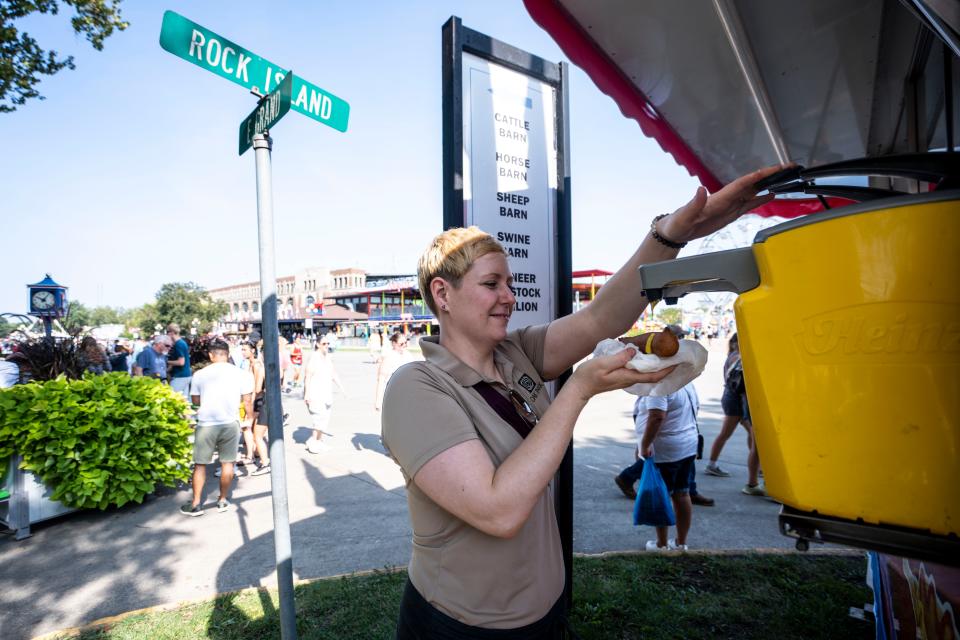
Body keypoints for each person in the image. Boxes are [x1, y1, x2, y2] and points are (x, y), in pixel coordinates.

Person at [380, 163, 776, 638]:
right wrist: (580, 387)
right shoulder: (415, 388)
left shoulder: (514, 353)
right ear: (442, 293)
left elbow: (598, 319)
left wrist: (671, 234)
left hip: (544, 615)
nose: (510, 295)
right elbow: (497, 510)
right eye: (492, 284)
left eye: (510, 282)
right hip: (464, 626)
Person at [181, 339, 254, 516]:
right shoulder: (241, 373)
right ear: (228, 354)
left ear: (211, 355)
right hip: (230, 423)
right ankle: (222, 500)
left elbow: (196, 401)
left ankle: (196, 503)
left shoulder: (199, 374)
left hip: (206, 424)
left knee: (200, 465)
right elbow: (247, 400)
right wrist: (249, 418)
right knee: (228, 463)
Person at [635, 381, 701, 551]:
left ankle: (662, 545)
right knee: (682, 493)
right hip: (687, 444)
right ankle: (681, 543)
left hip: (666, 450)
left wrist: (644, 444)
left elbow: (657, 416)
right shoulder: (686, 381)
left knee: (662, 496)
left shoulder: (660, 385)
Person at [704, 333, 765, 496]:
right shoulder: (739, 358)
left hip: (734, 399)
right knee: (728, 433)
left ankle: (758, 468)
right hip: (735, 400)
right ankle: (712, 464)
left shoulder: (732, 355)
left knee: (751, 435)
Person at [303, 335, 345, 453]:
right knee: (318, 419)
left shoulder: (327, 357)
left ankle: (318, 441)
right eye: (324, 344)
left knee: (325, 419)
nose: (326, 346)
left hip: (326, 393)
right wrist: (307, 394)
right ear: (317, 345)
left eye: (327, 344)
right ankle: (313, 443)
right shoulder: (314, 357)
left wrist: (342, 388)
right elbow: (308, 376)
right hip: (315, 394)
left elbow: (333, 373)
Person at [374, 332, 413, 411]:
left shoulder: (408, 355)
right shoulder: (389, 356)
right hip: (393, 393)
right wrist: (378, 402)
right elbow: (381, 380)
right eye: (401, 344)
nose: (404, 345)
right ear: (394, 344)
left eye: (406, 342)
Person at [166, 324, 193, 401]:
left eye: (167, 332)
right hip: (186, 375)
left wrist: (167, 361)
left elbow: (181, 362)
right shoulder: (182, 342)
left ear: (171, 332)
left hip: (180, 376)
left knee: (172, 399)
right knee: (184, 401)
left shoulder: (178, 344)